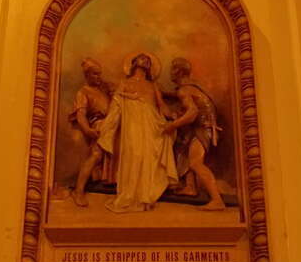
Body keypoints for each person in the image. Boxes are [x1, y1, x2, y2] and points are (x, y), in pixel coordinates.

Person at [97, 52, 178, 212]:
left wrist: (173, 116)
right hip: (132, 123)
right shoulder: (125, 82)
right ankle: (130, 195)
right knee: (134, 154)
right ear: (133, 63)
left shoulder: (152, 85)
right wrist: (107, 124)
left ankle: (145, 196)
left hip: (151, 123)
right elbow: (116, 105)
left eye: (147, 60)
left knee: (148, 157)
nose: (144, 61)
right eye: (141, 59)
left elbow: (161, 105)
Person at [162, 57, 225, 211]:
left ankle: (217, 200)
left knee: (196, 163)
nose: (170, 72)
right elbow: (178, 96)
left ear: (178, 71)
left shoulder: (185, 90)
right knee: (184, 152)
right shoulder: (193, 87)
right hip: (202, 129)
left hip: (203, 129)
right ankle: (190, 188)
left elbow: (193, 112)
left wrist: (172, 125)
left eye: (172, 69)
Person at [69, 57, 115, 207]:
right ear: (87, 75)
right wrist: (87, 130)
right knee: (96, 155)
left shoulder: (103, 90)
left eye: (99, 74)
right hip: (99, 126)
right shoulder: (83, 92)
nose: (98, 77)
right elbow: (81, 115)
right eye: (95, 74)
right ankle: (79, 191)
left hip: (111, 125)